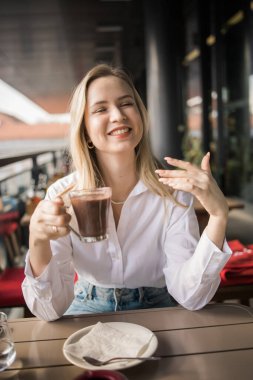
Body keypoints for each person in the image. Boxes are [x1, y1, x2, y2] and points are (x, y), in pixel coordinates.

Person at [22, 64, 231, 321]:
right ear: (85, 132)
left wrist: (219, 217)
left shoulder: (173, 193)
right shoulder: (62, 194)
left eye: (126, 104)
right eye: (101, 109)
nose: (118, 115)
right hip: (86, 305)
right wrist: (37, 241)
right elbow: (49, 310)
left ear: (140, 116)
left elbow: (190, 296)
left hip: (158, 305)